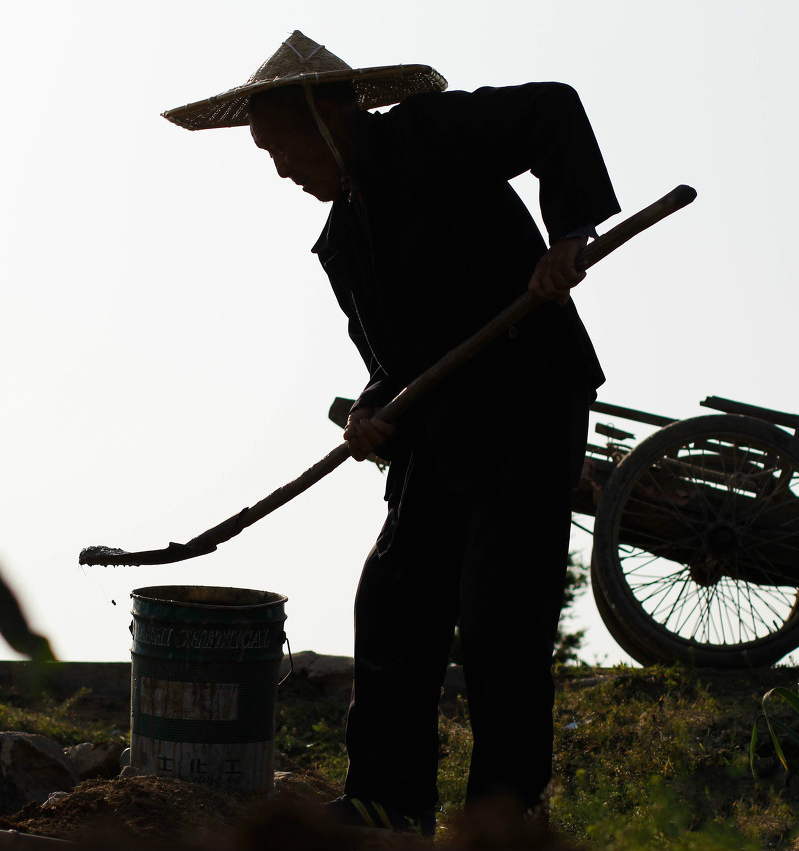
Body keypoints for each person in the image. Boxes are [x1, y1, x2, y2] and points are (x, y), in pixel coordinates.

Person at [164, 31, 620, 835]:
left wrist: (569, 240)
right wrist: (371, 412)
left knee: (500, 618)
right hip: (439, 424)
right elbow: (395, 358)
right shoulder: (344, 237)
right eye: (265, 152)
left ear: (330, 112)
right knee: (393, 600)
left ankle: (502, 817)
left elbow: (553, 110)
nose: (279, 168)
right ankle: (388, 799)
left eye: (283, 146)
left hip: (525, 399)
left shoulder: (425, 133)